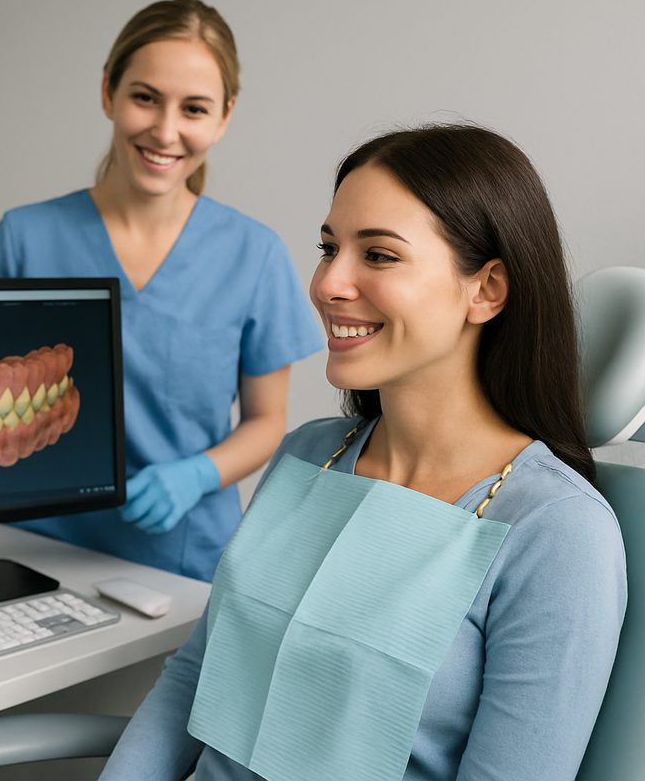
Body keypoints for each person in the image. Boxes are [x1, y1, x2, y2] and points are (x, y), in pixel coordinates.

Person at [101, 124, 627, 780]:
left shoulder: (555, 530)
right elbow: (196, 678)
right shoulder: (305, 456)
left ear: (486, 289)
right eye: (329, 248)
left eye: (378, 255)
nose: (326, 284)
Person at [0, 0, 322, 581]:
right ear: (109, 91)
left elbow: (266, 422)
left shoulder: (252, 255)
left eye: (194, 108)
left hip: (178, 559)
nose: (166, 130)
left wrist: (196, 475)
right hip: (31, 551)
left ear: (224, 117)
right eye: (145, 97)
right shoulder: (26, 238)